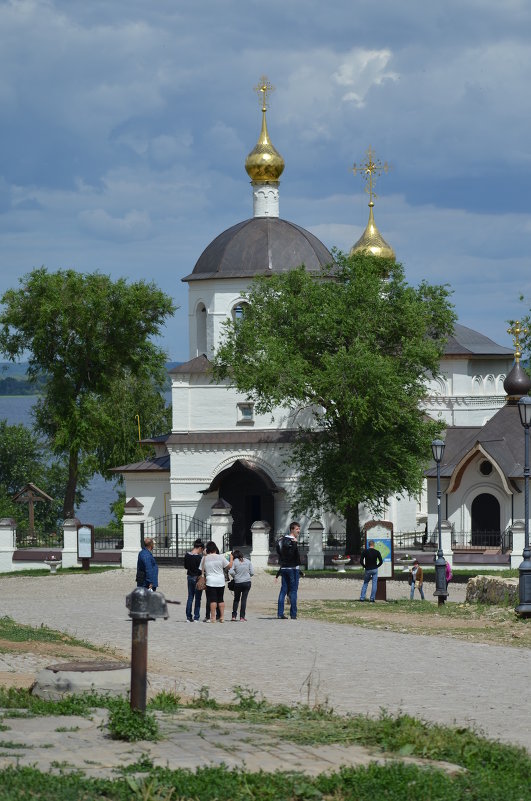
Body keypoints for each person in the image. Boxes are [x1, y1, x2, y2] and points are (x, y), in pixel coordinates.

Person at [200, 541, 233, 623]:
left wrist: (204, 555)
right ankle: (222, 617)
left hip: (210, 581)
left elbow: (201, 569)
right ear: (215, 549)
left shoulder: (205, 558)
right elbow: (229, 566)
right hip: (220, 580)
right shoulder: (221, 557)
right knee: (221, 599)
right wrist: (231, 559)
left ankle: (213, 617)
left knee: (213, 600)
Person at [276, 521, 301, 620]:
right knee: (293, 591)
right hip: (292, 569)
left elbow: (280, 553)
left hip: (284, 568)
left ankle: (280, 613)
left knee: (283, 590)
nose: (299, 531)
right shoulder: (291, 541)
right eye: (297, 529)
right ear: (292, 530)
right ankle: (293, 614)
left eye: (299, 529)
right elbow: (290, 554)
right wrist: (294, 544)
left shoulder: (281, 540)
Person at [229, 549, 254, 621]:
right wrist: (247, 576)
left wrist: (235, 576)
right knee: (244, 599)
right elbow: (252, 572)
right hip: (247, 582)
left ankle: (234, 616)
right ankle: (242, 617)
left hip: (238, 583)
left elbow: (231, 572)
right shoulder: (248, 561)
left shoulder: (234, 562)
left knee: (236, 599)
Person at [184, 539, 204, 622]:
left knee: (190, 597)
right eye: (201, 550)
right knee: (198, 598)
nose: (201, 552)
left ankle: (188, 617)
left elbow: (185, 566)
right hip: (197, 577)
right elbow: (200, 569)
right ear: (199, 548)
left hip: (189, 576)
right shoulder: (198, 557)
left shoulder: (187, 555)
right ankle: (196, 617)